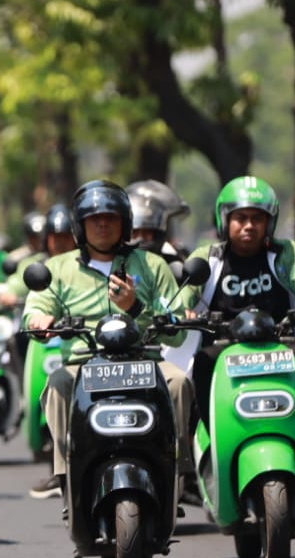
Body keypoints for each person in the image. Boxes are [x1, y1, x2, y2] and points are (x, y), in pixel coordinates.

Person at [21, 181, 194, 500]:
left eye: (111, 218)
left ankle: (177, 467)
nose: (102, 224)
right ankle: (65, 474)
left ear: (125, 223)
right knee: (57, 385)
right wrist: (39, 320)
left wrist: (136, 308)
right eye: (94, 218)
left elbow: (177, 325)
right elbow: (37, 306)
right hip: (83, 364)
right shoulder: (58, 268)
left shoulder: (151, 265)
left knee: (179, 382)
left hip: (143, 362)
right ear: (80, 225)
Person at [174, 176, 295, 426]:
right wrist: (183, 311)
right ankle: (210, 434)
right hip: (223, 349)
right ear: (225, 220)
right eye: (240, 218)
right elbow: (185, 295)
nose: (249, 226)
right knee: (203, 361)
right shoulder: (208, 257)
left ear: (269, 222)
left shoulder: (285, 253)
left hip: (278, 347)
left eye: (257, 219)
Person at [127, 179, 191, 261]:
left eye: (147, 232)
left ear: (158, 235)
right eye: (134, 232)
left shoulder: (172, 260)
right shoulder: (116, 262)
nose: (140, 238)